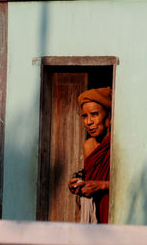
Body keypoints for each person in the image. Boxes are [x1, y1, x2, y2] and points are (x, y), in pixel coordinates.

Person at [68, 87, 112, 224]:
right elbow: (92, 178)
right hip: (95, 209)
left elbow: (130, 184)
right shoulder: (89, 145)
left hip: (114, 208)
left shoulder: (119, 145)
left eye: (94, 114)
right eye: (85, 116)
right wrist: (79, 185)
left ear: (109, 116)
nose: (88, 122)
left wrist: (100, 186)